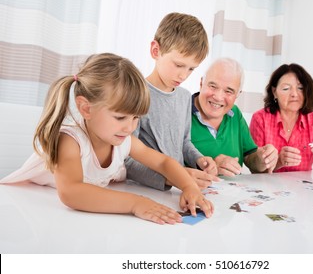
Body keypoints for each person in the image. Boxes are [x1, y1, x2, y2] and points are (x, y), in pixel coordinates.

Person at [0, 53, 213, 224]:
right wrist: (135, 204)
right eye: (120, 117)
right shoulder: (70, 140)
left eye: (136, 117)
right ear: (86, 108)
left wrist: (189, 187)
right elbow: (71, 192)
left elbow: (163, 161)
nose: (130, 126)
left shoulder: (123, 139)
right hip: (21, 207)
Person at [125, 12, 219, 190]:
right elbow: (127, 158)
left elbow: (184, 142)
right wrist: (173, 178)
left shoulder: (184, 97)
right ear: (156, 51)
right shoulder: (137, 94)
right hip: (144, 188)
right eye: (178, 65)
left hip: (178, 188)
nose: (183, 75)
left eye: (191, 69)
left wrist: (199, 159)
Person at [191, 58, 278, 176]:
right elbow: (167, 167)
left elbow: (249, 158)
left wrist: (263, 158)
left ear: (238, 94)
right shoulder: (181, 112)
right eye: (213, 86)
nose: (218, 97)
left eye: (229, 91)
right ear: (201, 84)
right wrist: (211, 167)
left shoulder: (235, 113)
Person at [249, 63, 313, 173]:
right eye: (286, 88)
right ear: (274, 92)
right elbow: (254, 169)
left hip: (303, 188)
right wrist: (279, 161)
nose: (294, 94)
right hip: (268, 186)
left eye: (300, 88)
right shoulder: (260, 118)